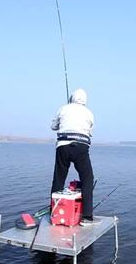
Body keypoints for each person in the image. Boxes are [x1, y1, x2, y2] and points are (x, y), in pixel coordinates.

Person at [50, 88, 99, 226]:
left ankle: (53, 211)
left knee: (59, 179)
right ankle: (87, 217)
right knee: (87, 179)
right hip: (81, 148)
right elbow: (90, 131)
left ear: (72, 98)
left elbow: (53, 126)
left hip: (63, 147)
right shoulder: (89, 113)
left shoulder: (63, 108)